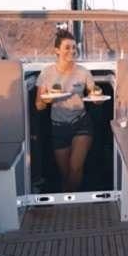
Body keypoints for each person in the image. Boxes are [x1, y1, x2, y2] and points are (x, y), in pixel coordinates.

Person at [35, 30, 101, 192]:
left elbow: (94, 94)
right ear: (57, 50)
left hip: (81, 122)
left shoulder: (83, 72)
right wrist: (46, 99)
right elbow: (38, 105)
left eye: (73, 48)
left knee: (75, 168)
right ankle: (69, 200)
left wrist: (96, 97)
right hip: (58, 126)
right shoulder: (47, 73)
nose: (72, 51)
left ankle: (70, 201)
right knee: (66, 174)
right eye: (67, 47)